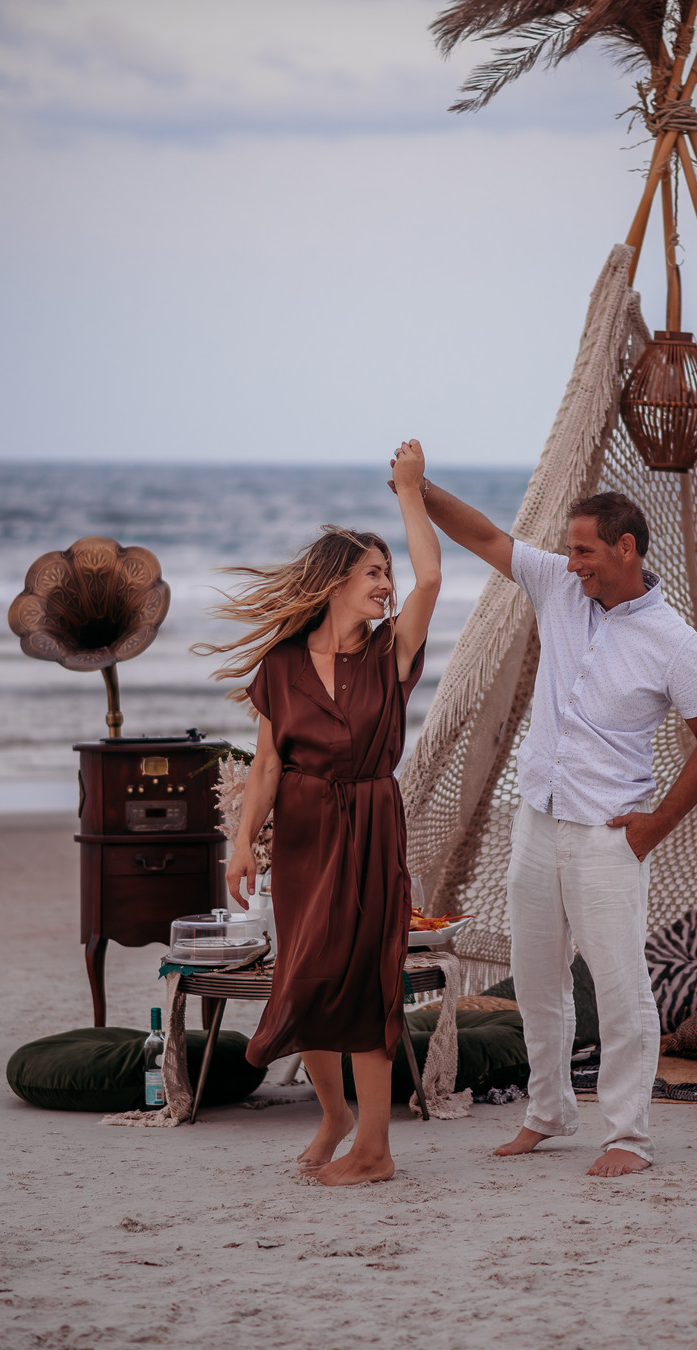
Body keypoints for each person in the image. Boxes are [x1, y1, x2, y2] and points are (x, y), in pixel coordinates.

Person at [412, 472, 697, 1177]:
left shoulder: (674, 641)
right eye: (569, 550)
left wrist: (655, 825)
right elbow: (488, 538)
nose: (572, 562)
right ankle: (549, 1114)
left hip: (608, 835)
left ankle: (629, 1137)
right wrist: (420, 488)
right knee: (535, 979)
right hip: (538, 817)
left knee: (619, 988)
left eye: (584, 551)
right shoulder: (560, 586)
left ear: (625, 549)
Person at [210, 441, 440, 1187]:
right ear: (336, 581)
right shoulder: (279, 667)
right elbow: (269, 764)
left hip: (372, 824)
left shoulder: (391, 654)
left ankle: (374, 1151)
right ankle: (335, 1116)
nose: (388, 583)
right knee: (303, 977)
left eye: (387, 572)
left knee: (367, 981)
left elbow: (432, 575)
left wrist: (409, 490)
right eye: (374, 572)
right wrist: (243, 845)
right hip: (306, 835)